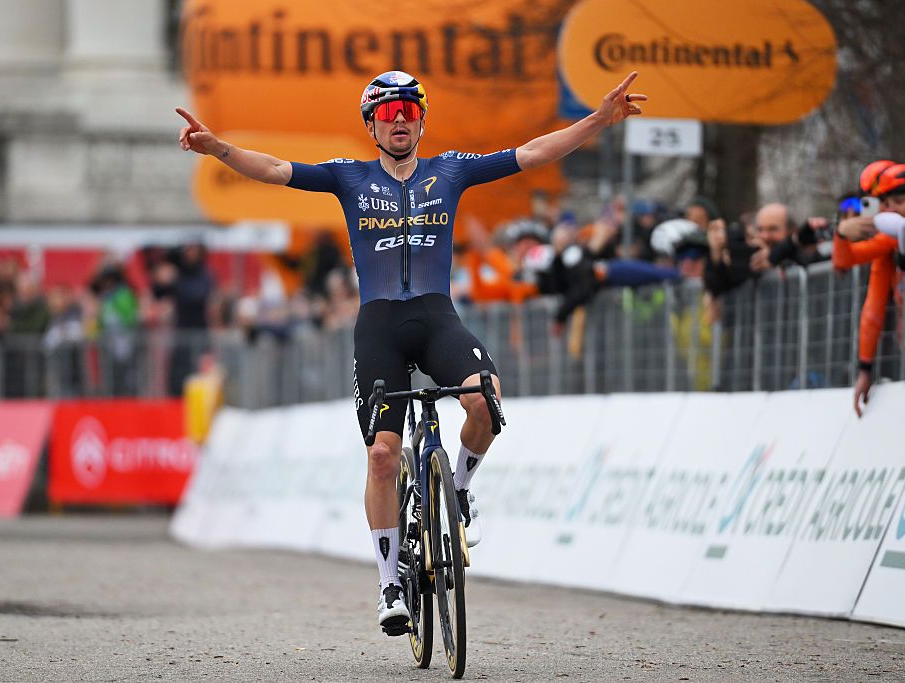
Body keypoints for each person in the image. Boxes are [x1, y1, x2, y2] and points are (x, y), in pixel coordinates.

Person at [176, 69, 647, 633]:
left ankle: (461, 490)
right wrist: (219, 148)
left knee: (487, 402)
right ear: (371, 123)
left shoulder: (451, 170)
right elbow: (275, 170)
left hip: (436, 317)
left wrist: (599, 119)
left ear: (422, 119)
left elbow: (532, 153)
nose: (399, 121)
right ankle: (389, 585)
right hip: (379, 326)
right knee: (381, 454)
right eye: (387, 113)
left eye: (409, 111)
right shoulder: (347, 177)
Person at [833, 161, 905, 416]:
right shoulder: (888, 242)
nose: (891, 210)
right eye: (885, 204)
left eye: (900, 201)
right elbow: (873, 306)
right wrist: (842, 233)